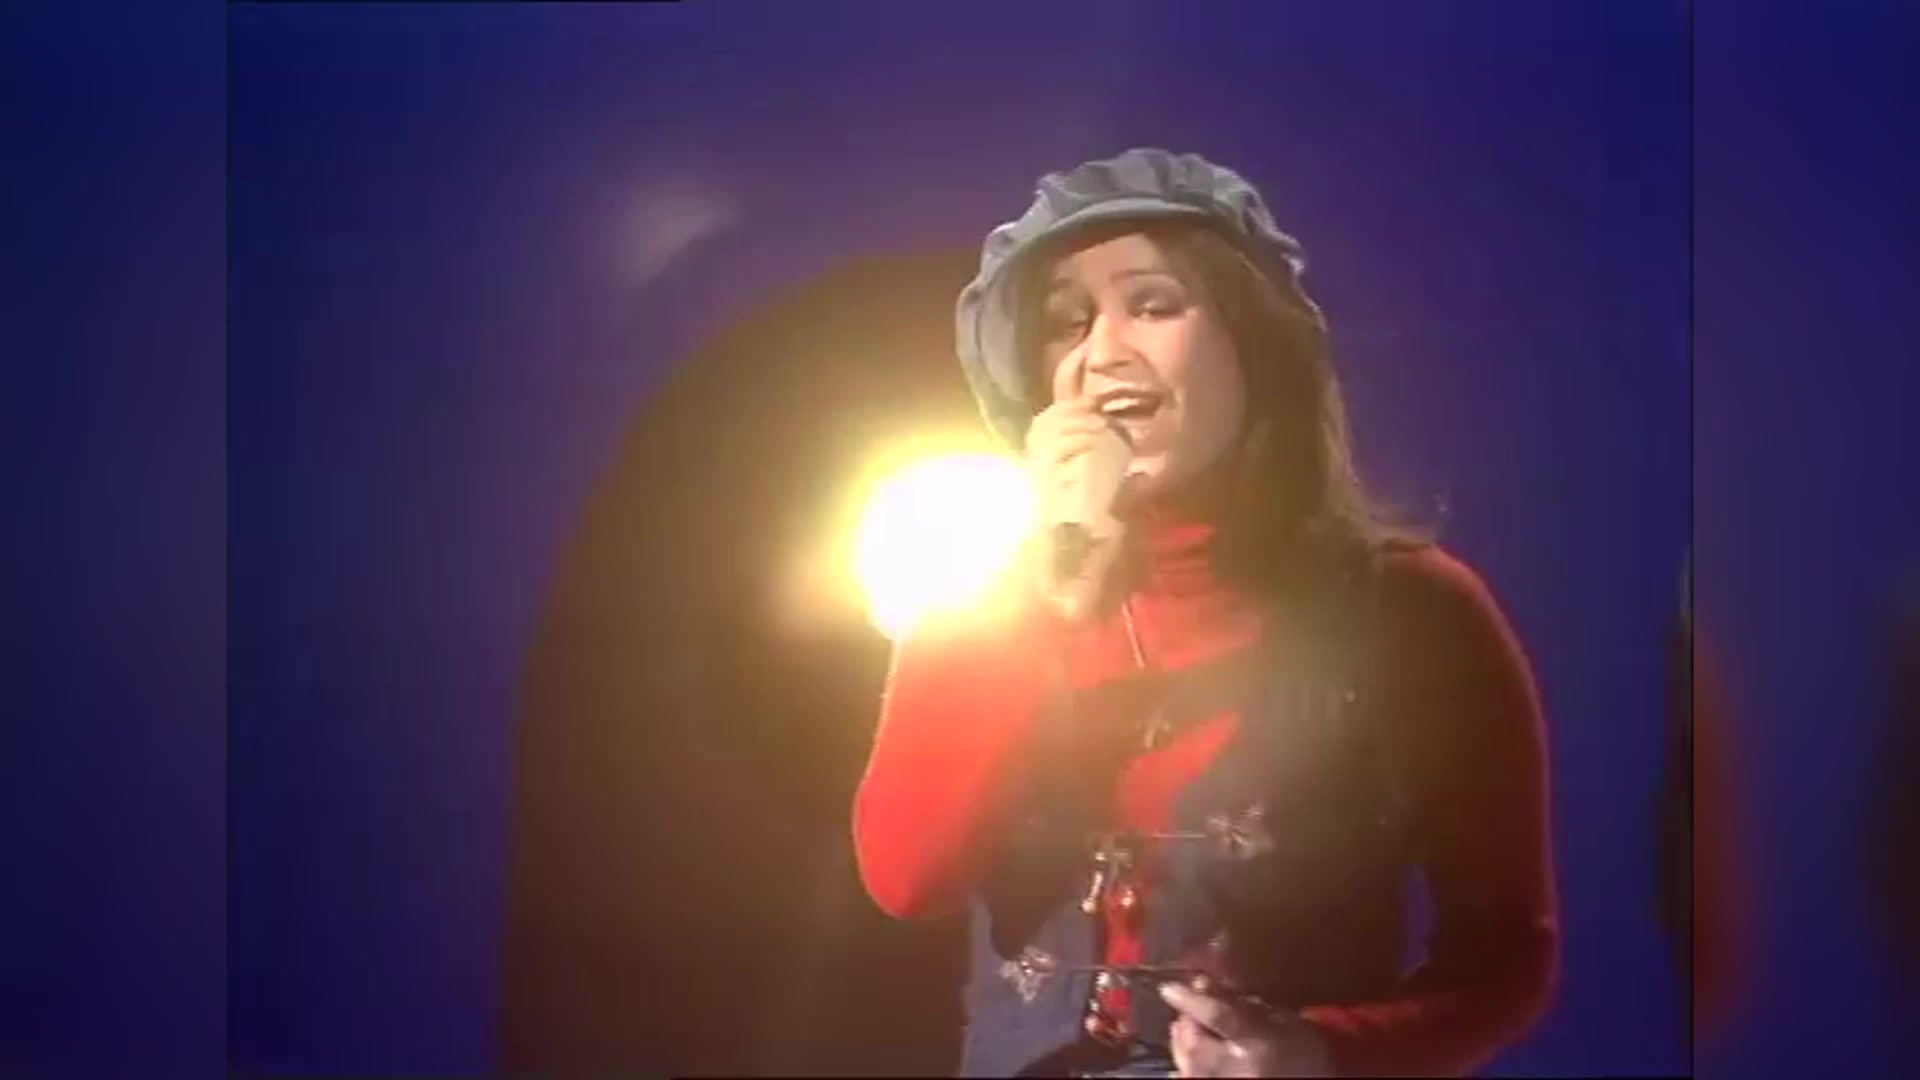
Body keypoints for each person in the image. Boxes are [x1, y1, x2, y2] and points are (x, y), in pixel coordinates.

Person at [851, 149, 1558, 1077]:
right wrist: (1041, 595)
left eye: (1152, 305)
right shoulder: (981, 599)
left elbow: (1507, 954)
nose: (1104, 353)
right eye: (1066, 324)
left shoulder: (1413, 611)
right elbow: (909, 879)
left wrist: (1326, 1054)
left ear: (1252, 342)